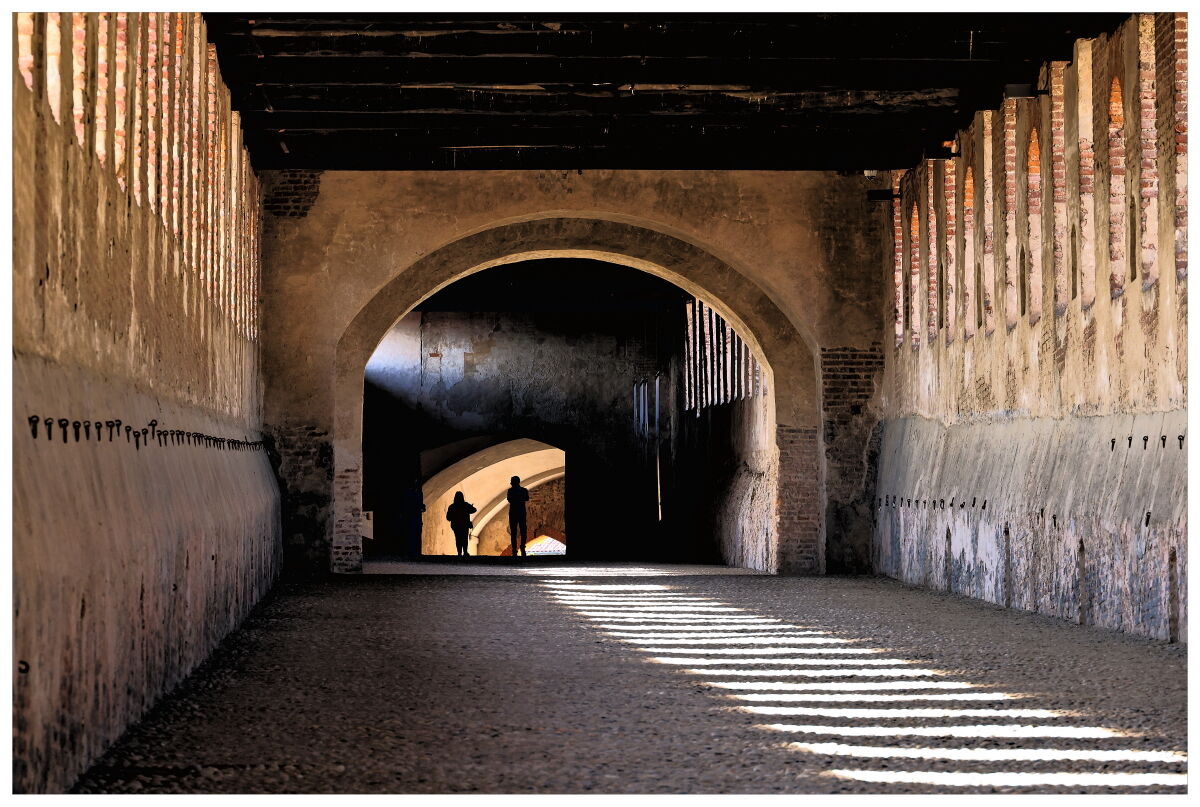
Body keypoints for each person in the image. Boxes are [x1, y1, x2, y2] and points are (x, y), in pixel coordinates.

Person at [445, 491, 476, 557]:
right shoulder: (465, 505)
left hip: (456, 526)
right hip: (464, 525)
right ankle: (465, 552)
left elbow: (448, 518)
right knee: (464, 539)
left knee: (458, 539)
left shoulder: (452, 506)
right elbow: (474, 510)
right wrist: (469, 507)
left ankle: (459, 553)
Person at [506, 476, 530, 557]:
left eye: (512, 482)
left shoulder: (515, 491)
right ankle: (515, 549)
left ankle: (521, 547)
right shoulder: (523, 490)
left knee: (522, 531)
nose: (511, 483)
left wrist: (516, 498)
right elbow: (510, 499)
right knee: (514, 532)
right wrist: (519, 498)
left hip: (518, 512)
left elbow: (526, 498)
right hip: (517, 512)